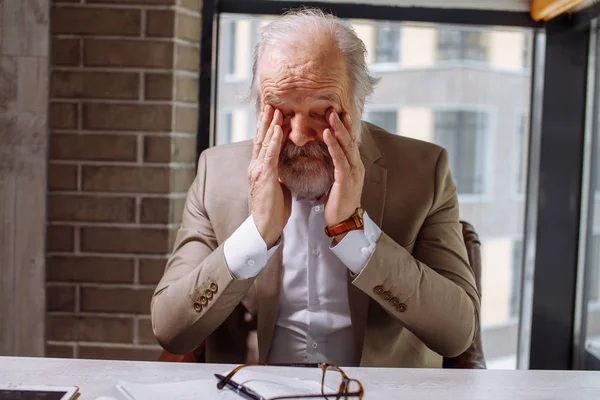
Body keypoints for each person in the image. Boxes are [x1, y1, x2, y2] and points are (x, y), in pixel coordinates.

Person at [151, 7, 480, 368]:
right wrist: (256, 235)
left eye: (322, 111)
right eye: (281, 111)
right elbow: (171, 331)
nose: (298, 135)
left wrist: (354, 234)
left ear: (359, 102)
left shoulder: (424, 171)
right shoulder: (217, 173)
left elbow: (457, 334)